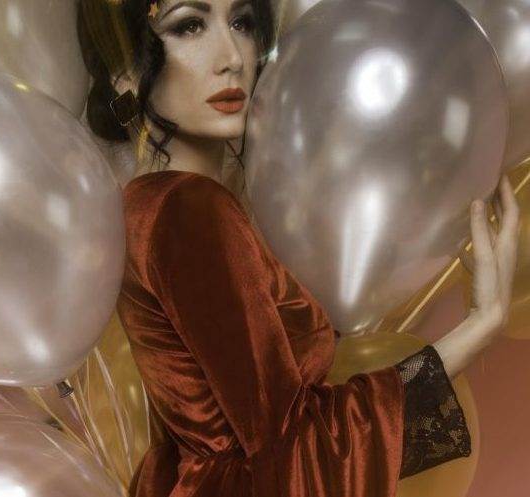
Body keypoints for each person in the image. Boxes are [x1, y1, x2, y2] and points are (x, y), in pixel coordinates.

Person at [77, 1, 520, 496]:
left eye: (242, 22)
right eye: (190, 26)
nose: (233, 58)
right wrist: (480, 325)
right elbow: (288, 450)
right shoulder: (189, 210)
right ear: (124, 72)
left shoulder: (146, 205)